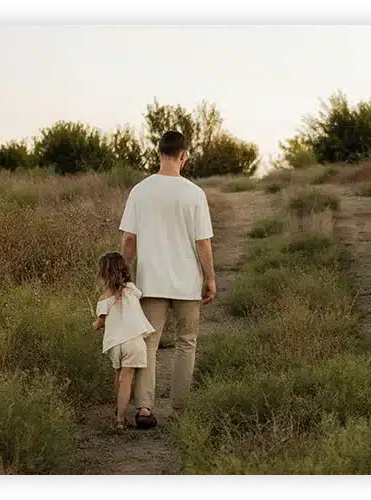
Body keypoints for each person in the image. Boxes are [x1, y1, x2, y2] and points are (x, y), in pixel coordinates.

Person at [119, 130, 216, 429]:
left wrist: (121, 273)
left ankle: (144, 408)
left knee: (148, 344)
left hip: (151, 281)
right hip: (187, 282)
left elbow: (129, 239)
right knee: (187, 342)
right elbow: (203, 243)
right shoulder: (194, 194)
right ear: (183, 156)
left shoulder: (140, 191)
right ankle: (180, 409)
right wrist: (210, 278)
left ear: (158, 153)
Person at [92, 251, 155, 429]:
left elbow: (101, 322)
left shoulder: (103, 298)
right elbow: (139, 295)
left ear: (103, 274)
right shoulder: (131, 290)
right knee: (127, 379)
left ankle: (117, 411)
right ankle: (121, 420)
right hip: (133, 341)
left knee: (118, 376)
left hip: (114, 343)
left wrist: (95, 325)